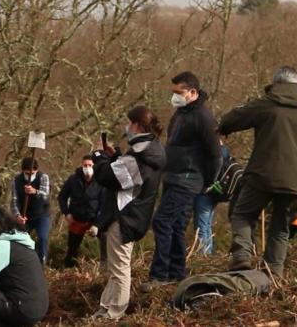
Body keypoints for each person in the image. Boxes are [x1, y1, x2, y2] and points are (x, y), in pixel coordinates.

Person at [218, 66, 297, 278]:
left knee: (242, 214)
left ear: (276, 83)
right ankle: (273, 273)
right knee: (281, 226)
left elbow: (233, 118)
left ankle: (242, 256)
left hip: (262, 176)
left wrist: (223, 128)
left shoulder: (265, 104)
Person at [145, 72, 222, 290]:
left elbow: (215, 155)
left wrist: (207, 181)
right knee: (177, 226)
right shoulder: (180, 114)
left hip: (188, 179)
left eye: (179, 92)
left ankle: (159, 275)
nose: (175, 97)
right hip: (173, 176)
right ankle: (177, 273)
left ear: (193, 92)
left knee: (162, 221)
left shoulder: (204, 118)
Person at [89, 105, 166, 320]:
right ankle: (106, 308)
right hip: (134, 215)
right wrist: (116, 157)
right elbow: (127, 178)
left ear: (138, 126)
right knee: (116, 268)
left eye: (130, 122)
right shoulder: (153, 151)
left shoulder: (140, 157)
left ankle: (115, 312)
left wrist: (98, 155)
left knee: (120, 269)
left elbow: (109, 177)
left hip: (124, 217)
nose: (127, 127)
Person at [57, 155, 106, 267]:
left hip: (94, 219)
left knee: (105, 244)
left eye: (90, 165)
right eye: (85, 165)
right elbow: (62, 196)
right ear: (81, 165)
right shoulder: (73, 179)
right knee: (72, 249)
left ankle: (104, 268)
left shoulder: (101, 181)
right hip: (76, 219)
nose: (87, 167)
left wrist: (97, 224)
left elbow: (104, 204)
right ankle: (69, 270)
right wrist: (66, 212)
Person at [10, 157, 51, 264]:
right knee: (17, 239)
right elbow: (14, 200)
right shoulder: (16, 180)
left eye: (33, 173)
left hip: (41, 214)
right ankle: (19, 261)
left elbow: (45, 195)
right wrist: (18, 216)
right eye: (27, 173)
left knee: (42, 237)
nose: (30, 175)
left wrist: (35, 191)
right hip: (25, 215)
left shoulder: (43, 177)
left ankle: (42, 261)